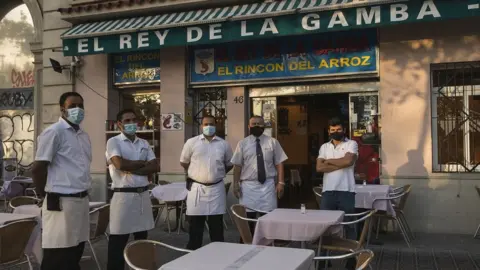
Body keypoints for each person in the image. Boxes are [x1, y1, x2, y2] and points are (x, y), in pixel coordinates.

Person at [32, 92, 91, 270]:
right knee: (57, 255)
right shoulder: (54, 133)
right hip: (60, 201)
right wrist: (45, 195)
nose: (77, 109)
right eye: (72, 106)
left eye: (80, 105)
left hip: (81, 200)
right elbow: (37, 168)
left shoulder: (83, 136)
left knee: (75, 251)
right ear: (62, 109)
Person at [106, 109, 159, 270]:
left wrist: (132, 166)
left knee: (142, 240)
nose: (131, 123)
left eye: (134, 120)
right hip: (123, 197)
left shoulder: (143, 143)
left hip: (142, 196)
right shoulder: (113, 142)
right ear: (119, 124)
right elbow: (119, 164)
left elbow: (155, 166)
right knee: (118, 241)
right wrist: (143, 163)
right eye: (127, 121)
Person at [180, 115, 233, 250]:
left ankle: (217, 256)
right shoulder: (191, 143)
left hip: (216, 189)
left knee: (217, 227)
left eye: (211, 124)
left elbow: (229, 163)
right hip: (197, 188)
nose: (208, 126)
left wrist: (216, 173)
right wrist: (197, 174)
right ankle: (193, 256)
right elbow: (184, 162)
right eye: (205, 124)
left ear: (216, 125)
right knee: (196, 227)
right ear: (201, 126)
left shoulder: (224, 144)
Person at [231, 115, 288, 236]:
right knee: (248, 220)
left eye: (259, 124)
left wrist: (281, 182)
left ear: (264, 126)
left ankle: (268, 246)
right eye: (254, 124)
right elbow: (237, 166)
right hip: (248, 187)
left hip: (267, 186)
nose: (256, 126)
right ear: (249, 126)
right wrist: (235, 184)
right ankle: (246, 246)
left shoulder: (273, 142)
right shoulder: (242, 144)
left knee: (268, 219)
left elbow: (279, 162)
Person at [316, 117, 358, 270]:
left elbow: (349, 162)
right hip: (328, 192)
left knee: (349, 227)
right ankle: (323, 259)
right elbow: (319, 168)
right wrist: (340, 162)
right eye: (332, 130)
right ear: (328, 131)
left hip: (346, 191)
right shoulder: (324, 147)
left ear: (344, 130)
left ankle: (351, 259)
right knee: (325, 227)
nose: (336, 132)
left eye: (338, 129)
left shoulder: (351, 144)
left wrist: (328, 162)